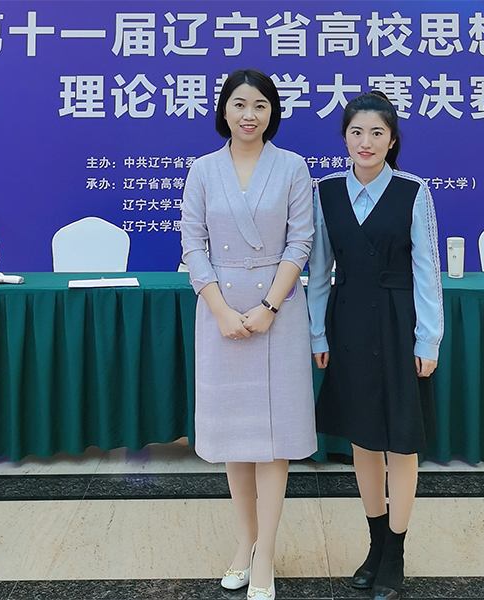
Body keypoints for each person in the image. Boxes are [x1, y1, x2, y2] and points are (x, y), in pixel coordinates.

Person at [180, 68, 316, 600]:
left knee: (273, 441)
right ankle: (244, 543)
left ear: (272, 112)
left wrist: (269, 307)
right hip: (220, 313)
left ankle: (266, 554)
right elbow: (193, 245)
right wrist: (219, 309)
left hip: (277, 313)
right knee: (235, 439)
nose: (249, 115)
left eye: (260, 104)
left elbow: (300, 243)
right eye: (239, 104)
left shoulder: (292, 167)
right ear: (224, 110)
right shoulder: (203, 170)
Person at [307, 91, 444, 600]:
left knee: (401, 443)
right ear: (344, 137)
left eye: (377, 133)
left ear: (392, 141)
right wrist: (317, 332)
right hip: (347, 327)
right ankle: (375, 544)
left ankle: (396, 552)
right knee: (363, 441)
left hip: (398, 324)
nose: (365, 142)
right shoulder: (325, 192)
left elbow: (428, 271)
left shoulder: (413, 191)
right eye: (356, 132)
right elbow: (318, 271)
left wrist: (428, 338)